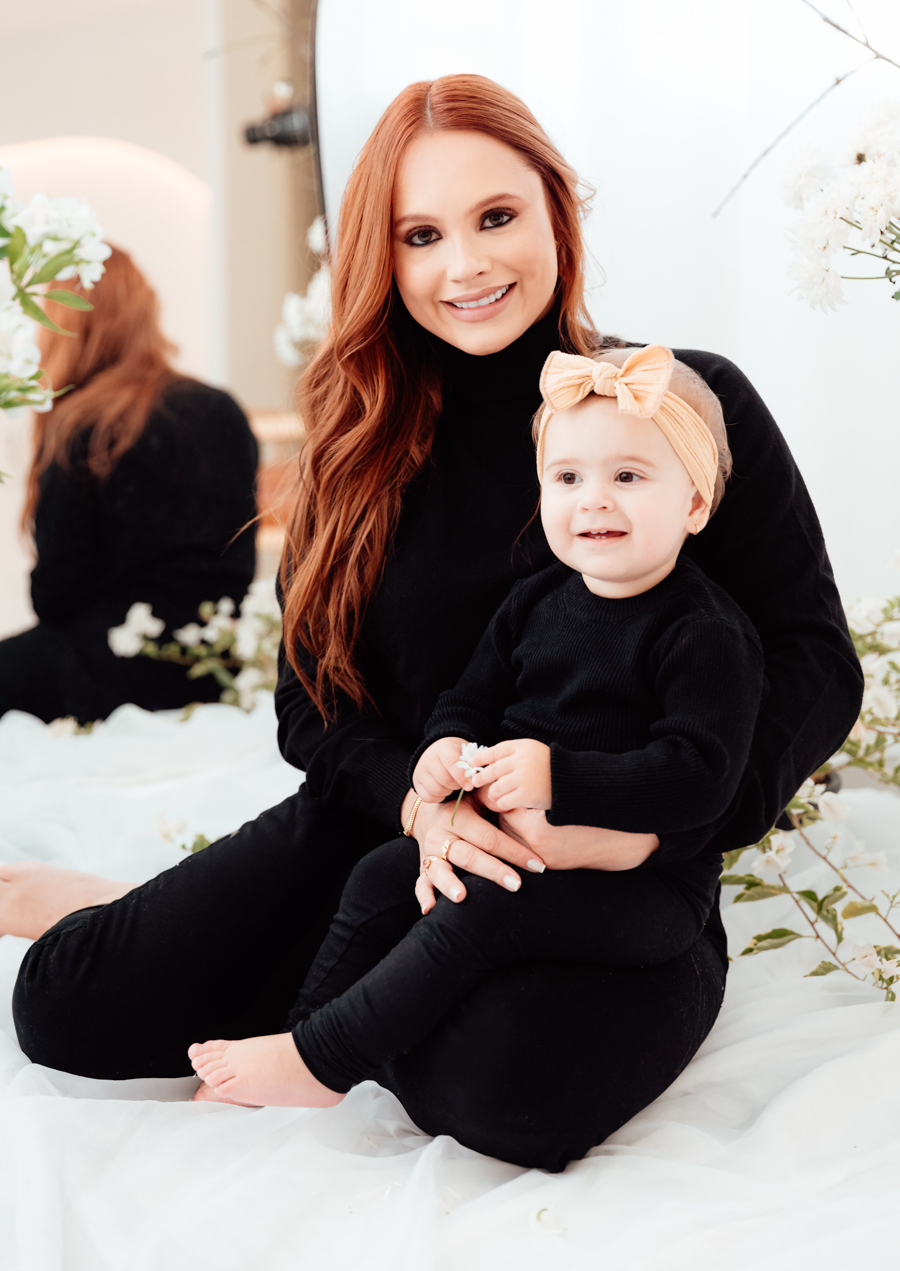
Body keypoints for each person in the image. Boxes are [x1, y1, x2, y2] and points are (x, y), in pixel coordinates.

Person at [6, 76, 861, 1173]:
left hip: (612, 874)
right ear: (386, 254)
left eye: (496, 216)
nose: (466, 265)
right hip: (374, 838)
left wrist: (660, 827)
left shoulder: (675, 402)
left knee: (503, 1092)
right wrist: (422, 806)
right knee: (65, 1005)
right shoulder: (357, 441)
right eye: (422, 235)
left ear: (556, 210)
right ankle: (210, 931)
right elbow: (310, 711)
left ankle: (355, 1000)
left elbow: (812, 659)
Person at [187, 343, 767, 1108]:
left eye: (628, 477)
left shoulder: (704, 633)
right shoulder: (537, 601)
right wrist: (444, 750)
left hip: (645, 889)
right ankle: (305, 1038)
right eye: (568, 478)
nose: (594, 500)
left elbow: (702, 776)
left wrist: (558, 776)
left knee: (484, 910)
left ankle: (326, 1058)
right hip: (514, 849)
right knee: (381, 877)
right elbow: (471, 697)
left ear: (694, 504)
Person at [0, 247, 258, 723]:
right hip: (216, 664)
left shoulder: (84, 425)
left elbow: (57, 595)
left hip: (113, 666)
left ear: (64, 324)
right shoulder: (222, 408)